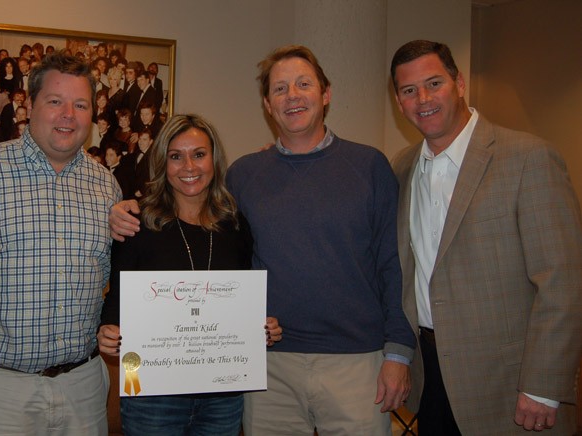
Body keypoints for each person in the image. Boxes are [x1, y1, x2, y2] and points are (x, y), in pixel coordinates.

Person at [110, 45, 416, 435]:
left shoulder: (369, 166)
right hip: (267, 368)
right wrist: (123, 210)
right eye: (280, 89)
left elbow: (394, 263)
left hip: (356, 362)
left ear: (326, 93)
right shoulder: (246, 176)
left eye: (303, 84)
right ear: (268, 105)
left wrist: (398, 354)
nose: (292, 96)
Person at [389, 39, 582, 435]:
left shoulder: (527, 158)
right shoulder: (402, 167)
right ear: (399, 102)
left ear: (459, 83)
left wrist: (543, 386)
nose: (422, 99)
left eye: (434, 84)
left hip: (511, 385)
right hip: (431, 378)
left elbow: (563, 281)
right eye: (409, 90)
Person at [0, 48, 121, 435]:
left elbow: (114, 276)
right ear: (30, 106)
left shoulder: (107, 186)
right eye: (55, 101)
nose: (68, 115)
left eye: (80, 104)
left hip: (83, 386)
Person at [98, 114, 282, 436]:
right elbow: (117, 303)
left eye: (199, 154)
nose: (189, 167)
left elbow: (243, 301)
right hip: (152, 397)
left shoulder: (234, 226)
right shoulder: (138, 223)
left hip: (222, 396)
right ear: (162, 163)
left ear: (214, 159)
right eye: (176, 156)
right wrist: (109, 332)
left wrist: (261, 328)